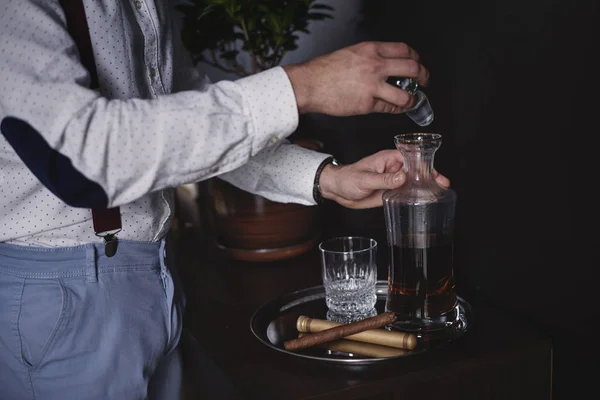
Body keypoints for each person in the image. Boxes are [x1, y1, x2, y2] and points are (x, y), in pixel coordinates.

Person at [0, 0, 449, 399]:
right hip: (61, 296)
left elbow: (188, 124)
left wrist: (326, 178)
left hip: (153, 273)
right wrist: (300, 86)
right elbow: (81, 159)